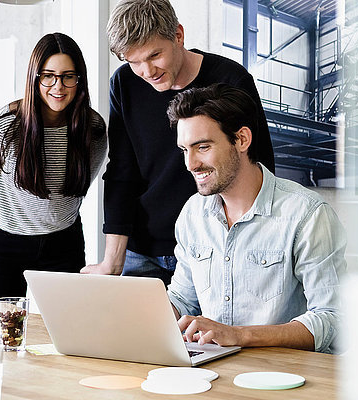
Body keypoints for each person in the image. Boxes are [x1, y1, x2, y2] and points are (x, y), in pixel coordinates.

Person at [81, 0, 275, 285]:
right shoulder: (124, 83)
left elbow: (259, 166)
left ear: (178, 35)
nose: (147, 71)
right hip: (144, 250)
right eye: (133, 61)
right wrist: (112, 260)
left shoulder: (230, 80)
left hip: (213, 247)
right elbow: (122, 171)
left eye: (154, 55)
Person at [165, 84, 346, 353]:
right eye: (184, 150)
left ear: (241, 140)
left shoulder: (307, 214)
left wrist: (239, 335)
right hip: (214, 369)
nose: (190, 164)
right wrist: (139, 316)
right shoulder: (193, 213)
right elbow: (182, 299)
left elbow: (333, 319)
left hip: (286, 375)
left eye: (202, 147)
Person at [0, 33, 107, 306]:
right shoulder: (6, 126)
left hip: (64, 241)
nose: (59, 86)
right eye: (48, 76)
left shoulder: (93, 129)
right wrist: (16, 214)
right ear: (35, 77)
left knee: (68, 331)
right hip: (3, 242)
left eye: (68, 76)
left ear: (80, 80)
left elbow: (80, 185)